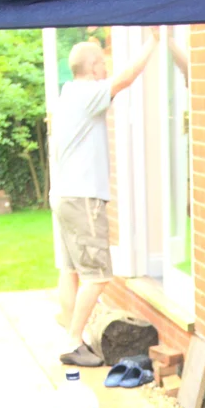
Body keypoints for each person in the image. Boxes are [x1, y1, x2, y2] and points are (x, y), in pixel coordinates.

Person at [53, 29, 161, 367]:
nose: (107, 68)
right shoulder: (87, 93)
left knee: (71, 271)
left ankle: (76, 337)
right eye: (103, 62)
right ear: (95, 66)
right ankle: (73, 341)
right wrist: (153, 43)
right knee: (98, 276)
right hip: (83, 198)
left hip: (66, 196)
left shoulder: (68, 93)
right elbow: (125, 79)